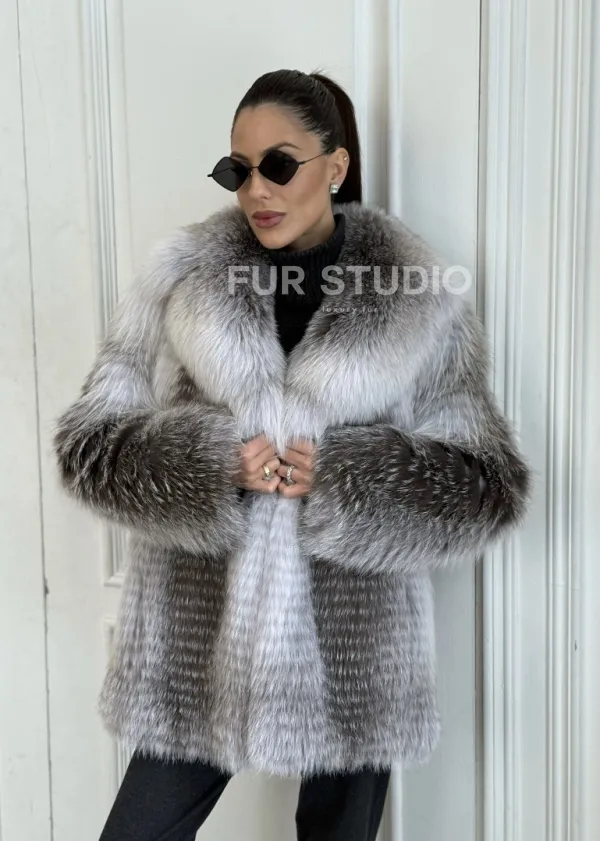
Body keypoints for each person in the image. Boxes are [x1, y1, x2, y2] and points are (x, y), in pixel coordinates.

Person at [53, 68, 531, 841]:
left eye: (279, 164)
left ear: (335, 166)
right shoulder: (180, 280)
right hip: (196, 638)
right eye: (237, 170)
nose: (256, 190)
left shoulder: (417, 299)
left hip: (357, 644)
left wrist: (345, 476)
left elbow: (486, 483)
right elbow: (89, 445)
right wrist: (212, 464)